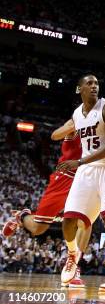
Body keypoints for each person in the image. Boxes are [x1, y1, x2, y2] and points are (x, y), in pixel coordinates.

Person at [57, 74, 105, 290]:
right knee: (68, 220)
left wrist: (79, 161)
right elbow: (58, 135)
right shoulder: (76, 114)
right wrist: (80, 161)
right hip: (88, 170)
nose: (94, 86)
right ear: (78, 89)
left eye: (96, 83)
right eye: (89, 83)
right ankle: (73, 255)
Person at [2, 119, 91, 288]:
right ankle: (23, 216)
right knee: (38, 229)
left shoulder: (102, 126)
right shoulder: (77, 120)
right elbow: (54, 135)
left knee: (85, 222)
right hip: (65, 176)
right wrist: (71, 128)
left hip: (86, 179)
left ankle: (74, 267)